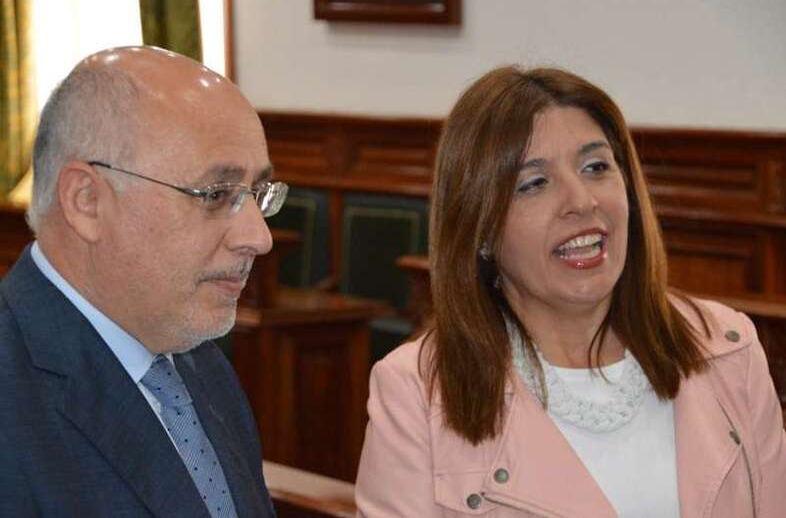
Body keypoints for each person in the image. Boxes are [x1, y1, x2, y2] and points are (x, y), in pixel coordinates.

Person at [355, 66, 786, 517]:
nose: (581, 201)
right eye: (534, 184)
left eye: (596, 166)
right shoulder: (417, 392)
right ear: (479, 228)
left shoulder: (727, 346)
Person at [0, 46, 288, 517]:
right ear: (87, 200)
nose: (259, 237)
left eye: (258, 194)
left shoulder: (201, 365)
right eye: (216, 194)